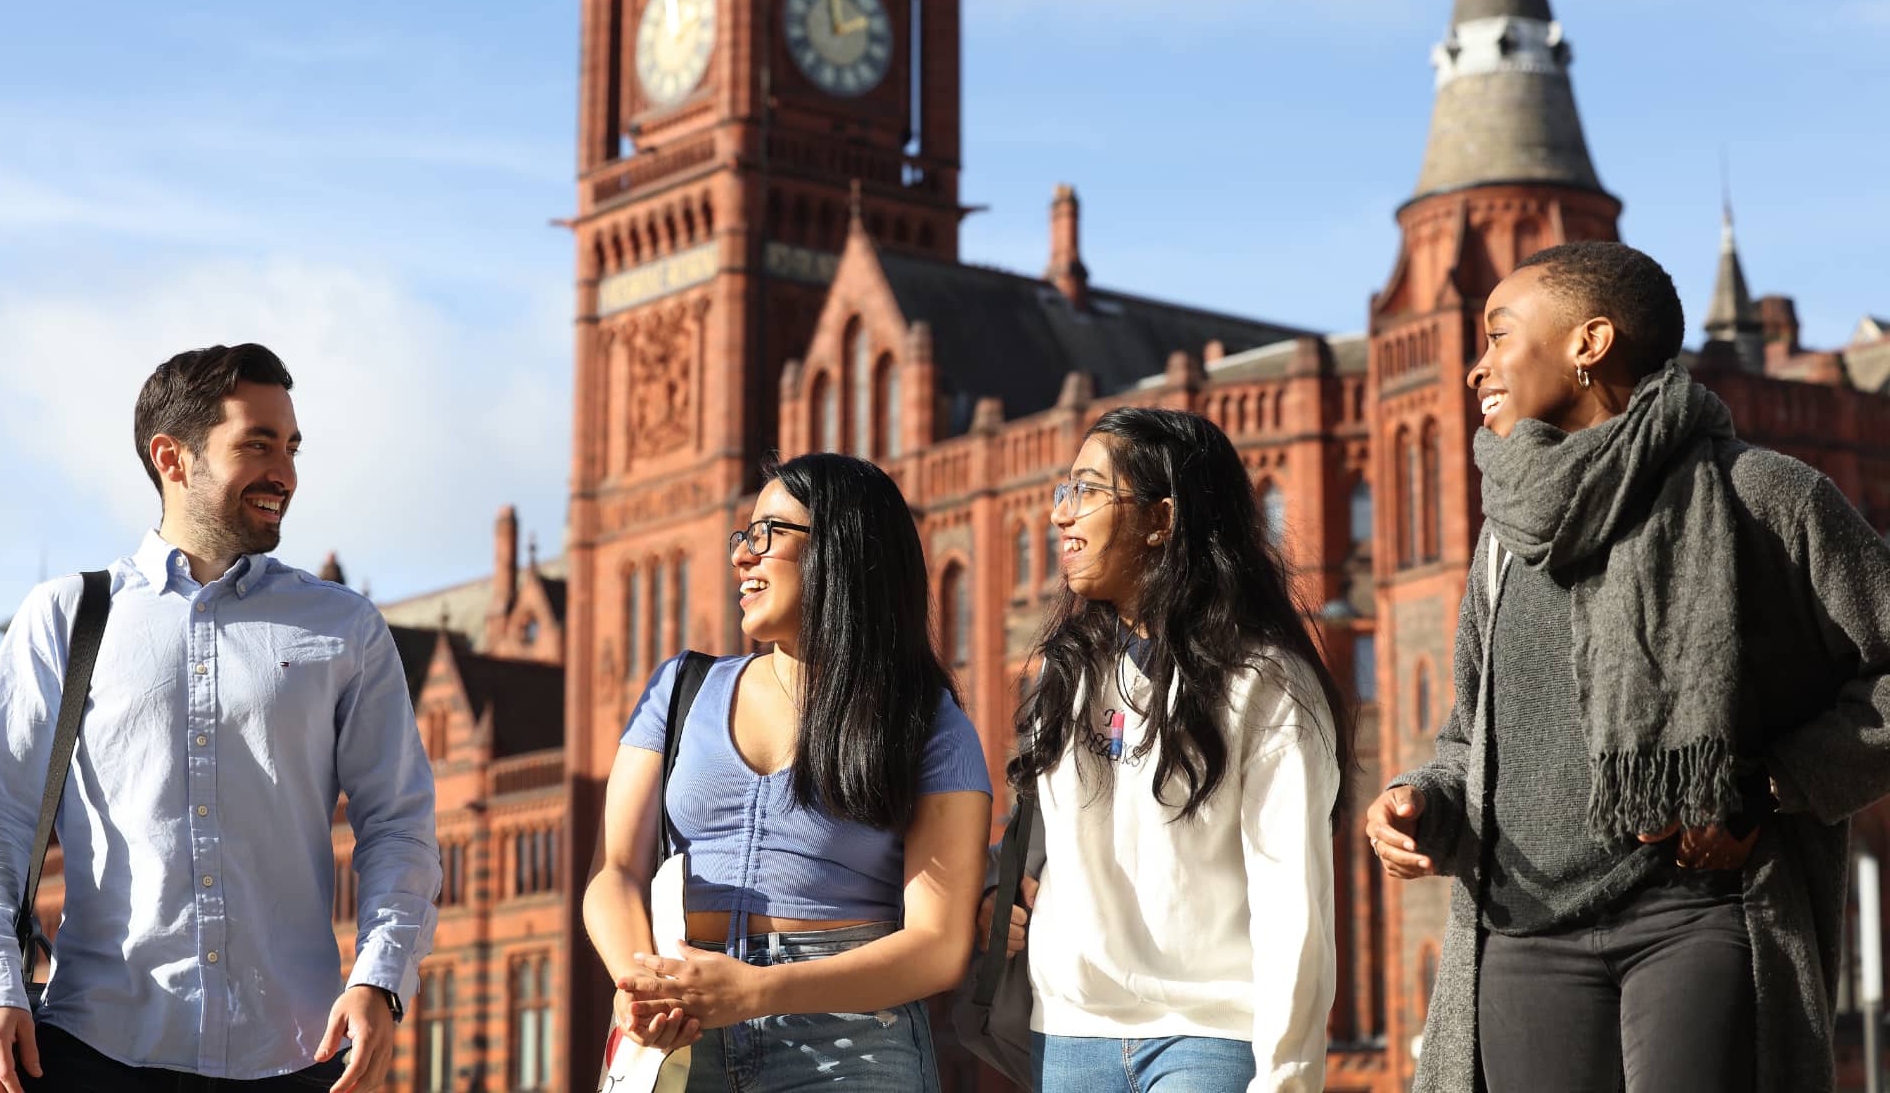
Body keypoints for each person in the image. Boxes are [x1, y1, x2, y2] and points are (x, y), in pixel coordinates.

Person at [1367, 242, 1890, 1093]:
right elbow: (1472, 738)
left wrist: (1767, 788)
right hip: (1523, 934)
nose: (1478, 368)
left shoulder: (1763, 497)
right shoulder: (1507, 537)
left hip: (1696, 921)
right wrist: (1422, 798)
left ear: (1590, 342)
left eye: (1499, 336)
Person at [0, 344, 440, 1093]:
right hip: (97, 1049)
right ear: (172, 458)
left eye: (290, 447)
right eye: (256, 444)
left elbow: (399, 822)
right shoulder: (66, 618)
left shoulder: (344, 628)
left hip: (296, 1055)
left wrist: (381, 979)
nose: (284, 472)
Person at [584, 453, 992, 1092]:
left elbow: (939, 946)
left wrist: (759, 990)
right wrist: (638, 984)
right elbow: (614, 872)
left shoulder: (929, 724)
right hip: (681, 1032)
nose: (742, 556)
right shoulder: (679, 690)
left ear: (843, 551)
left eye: (767, 534)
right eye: (742, 536)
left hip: (852, 1043)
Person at [983, 406, 1349, 1093]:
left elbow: (1291, 896)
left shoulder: (1263, 683)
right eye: (1065, 492)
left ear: (1161, 519)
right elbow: (1037, 843)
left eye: (1088, 491)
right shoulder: (1068, 674)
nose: (1062, 515)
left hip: (1211, 1035)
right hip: (1069, 1032)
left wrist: (1287, 1079)